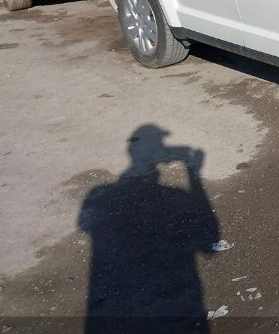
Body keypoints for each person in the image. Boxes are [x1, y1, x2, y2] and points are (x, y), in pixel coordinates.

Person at [78, 124, 219, 333]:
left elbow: (84, 224)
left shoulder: (101, 195)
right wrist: (193, 175)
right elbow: (209, 242)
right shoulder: (175, 197)